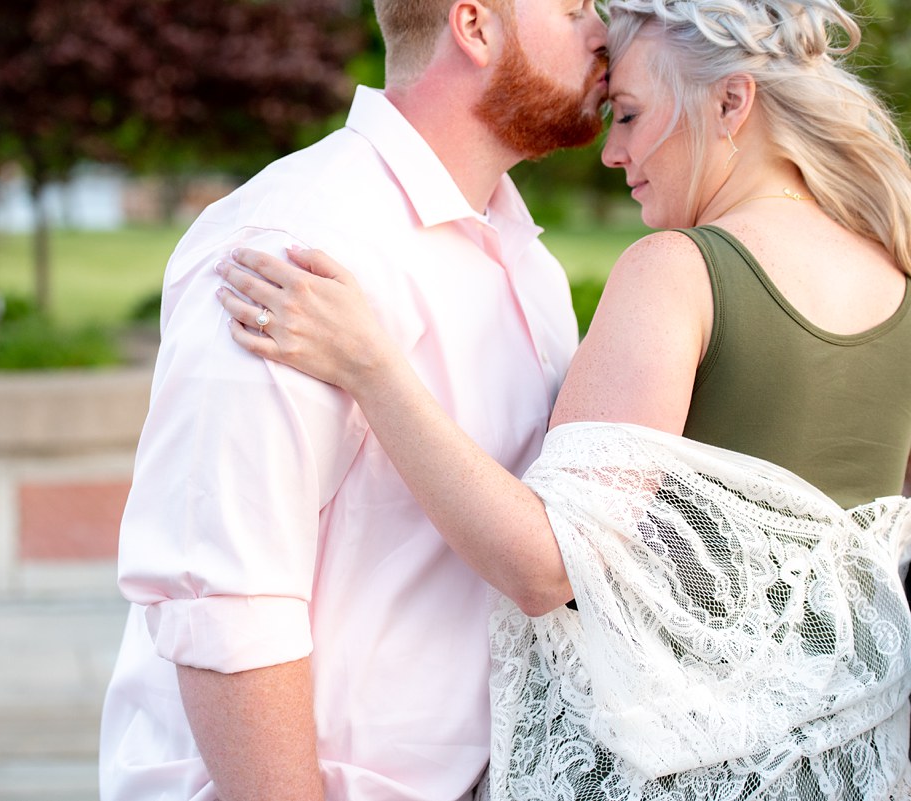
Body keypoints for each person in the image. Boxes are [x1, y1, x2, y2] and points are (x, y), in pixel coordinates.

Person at [214, 0, 911, 797]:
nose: (613, 151)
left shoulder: (679, 272)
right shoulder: (893, 270)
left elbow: (548, 566)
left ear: (731, 103)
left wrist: (371, 364)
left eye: (633, 114)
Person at [98, 2, 609, 799]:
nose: (603, 29)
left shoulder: (528, 264)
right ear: (475, 26)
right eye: (575, 5)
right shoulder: (293, 247)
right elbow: (225, 602)